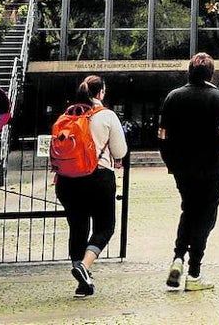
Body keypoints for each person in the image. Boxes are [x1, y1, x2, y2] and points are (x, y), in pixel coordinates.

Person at [158, 52, 219, 291]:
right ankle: (194, 272)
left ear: (189, 72)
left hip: (183, 169)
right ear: (210, 74)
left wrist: (171, 161)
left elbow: (162, 135)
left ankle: (178, 257)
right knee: (205, 217)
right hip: (211, 168)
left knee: (189, 211)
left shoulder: (173, 98)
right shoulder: (218, 99)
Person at [55, 75, 127, 298]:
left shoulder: (66, 116)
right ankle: (84, 266)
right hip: (98, 179)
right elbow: (120, 151)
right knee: (105, 227)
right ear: (101, 93)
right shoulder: (107, 115)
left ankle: (82, 284)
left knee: (77, 227)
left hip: (66, 181)